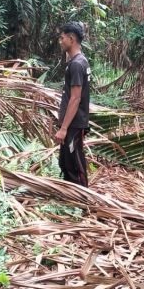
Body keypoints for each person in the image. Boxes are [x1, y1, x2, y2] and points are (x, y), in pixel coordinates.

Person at [54, 21, 91, 186]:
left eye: (62, 38)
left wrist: (63, 128)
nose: (60, 41)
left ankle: (82, 200)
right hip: (72, 123)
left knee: (74, 164)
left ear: (71, 38)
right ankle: (71, 199)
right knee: (66, 161)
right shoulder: (78, 61)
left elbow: (75, 98)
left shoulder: (76, 64)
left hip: (74, 125)